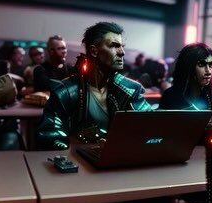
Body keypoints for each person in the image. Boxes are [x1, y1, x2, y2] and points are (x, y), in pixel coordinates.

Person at [37, 22, 151, 150]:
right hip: (77, 163)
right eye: (114, 46)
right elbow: (50, 134)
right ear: (94, 51)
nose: (122, 52)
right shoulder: (65, 92)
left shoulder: (131, 90)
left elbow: (150, 128)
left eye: (122, 46)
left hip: (120, 160)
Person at [160, 43, 212, 124]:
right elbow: (161, 128)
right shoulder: (170, 96)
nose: (208, 71)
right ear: (188, 66)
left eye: (210, 65)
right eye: (201, 64)